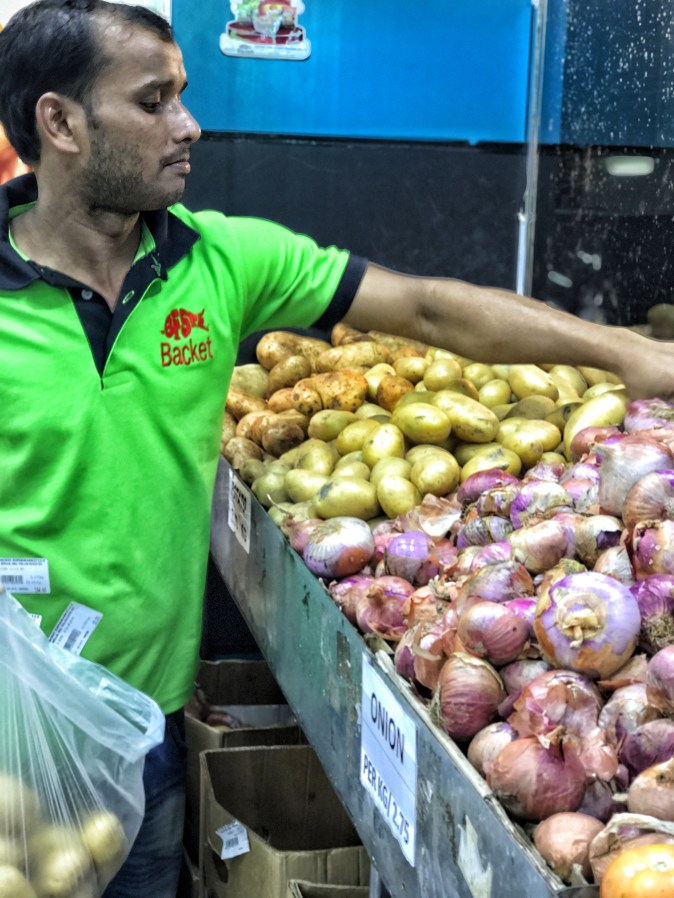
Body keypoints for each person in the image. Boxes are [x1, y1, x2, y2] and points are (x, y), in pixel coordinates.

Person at [0, 2, 673, 896]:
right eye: (153, 102)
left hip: (145, 726)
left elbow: (428, 308)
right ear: (60, 123)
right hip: (11, 722)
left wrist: (625, 352)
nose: (189, 125)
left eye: (182, 96)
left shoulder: (221, 262)